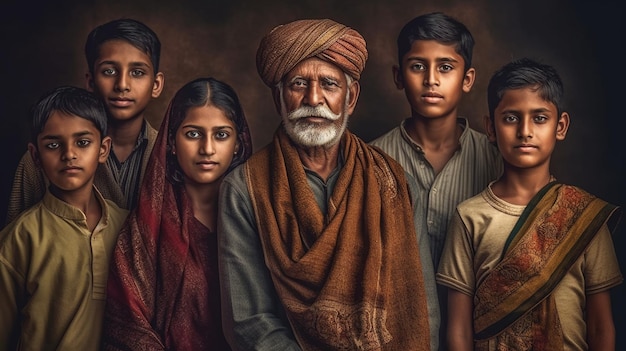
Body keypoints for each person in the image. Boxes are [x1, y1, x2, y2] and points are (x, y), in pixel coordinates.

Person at [218, 18, 439, 351]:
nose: (314, 98)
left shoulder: (396, 185)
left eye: (329, 84)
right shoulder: (244, 188)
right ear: (278, 99)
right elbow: (249, 323)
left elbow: (423, 311)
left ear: (350, 98)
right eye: (298, 84)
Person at [437, 58, 622, 350]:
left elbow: (601, 327)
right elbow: (459, 329)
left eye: (539, 118)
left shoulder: (585, 217)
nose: (525, 131)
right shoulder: (470, 217)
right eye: (511, 118)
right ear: (491, 128)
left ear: (560, 126)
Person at [101, 77, 252, 350]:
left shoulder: (259, 222)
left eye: (221, 135)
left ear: (238, 144)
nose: (207, 149)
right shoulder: (146, 229)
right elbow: (127, 326)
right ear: (171, 141)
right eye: (193, 134)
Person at [370, 12, 502, 268]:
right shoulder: (371, 158)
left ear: (467, 79)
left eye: (445, 67)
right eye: (418, 66)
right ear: (399, 76)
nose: (431, 80)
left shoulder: (495, 158)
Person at [0, 86, 128, 350]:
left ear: (103, 149)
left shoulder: (128, 226)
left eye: (82, 142)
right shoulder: (21, 238)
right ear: (35, 155)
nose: (68, 154)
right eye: (53, 145)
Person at [6, 18, 165, 224]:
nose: (122, 84)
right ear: (90, 81)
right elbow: (15, 243)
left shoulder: (172, 157)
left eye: (137, 72)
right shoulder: (40, 159)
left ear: (156, 84)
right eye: (109, 71)